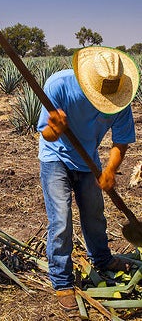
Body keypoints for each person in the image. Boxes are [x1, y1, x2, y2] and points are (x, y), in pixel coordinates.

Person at [37, 46, 139, 311]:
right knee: (60, 219)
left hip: (88, 159)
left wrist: (110, 169)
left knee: (94, 213)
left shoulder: (119, 97)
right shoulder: (59, 84)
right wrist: (55, 129)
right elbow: (45, 135)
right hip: (55, 156)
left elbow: (121, 141)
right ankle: (62, 282)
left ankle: (102, 259)